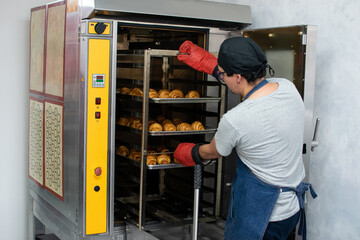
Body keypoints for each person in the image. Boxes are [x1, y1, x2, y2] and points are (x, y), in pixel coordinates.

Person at [173, 38, 317, 240]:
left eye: (223, 73)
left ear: (238, 76)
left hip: (262, 218)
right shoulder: (288, 88)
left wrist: (191, 152)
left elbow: (212, 152)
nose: (221, 76)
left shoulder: (235, 119)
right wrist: (215, 67)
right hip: (291, 210)